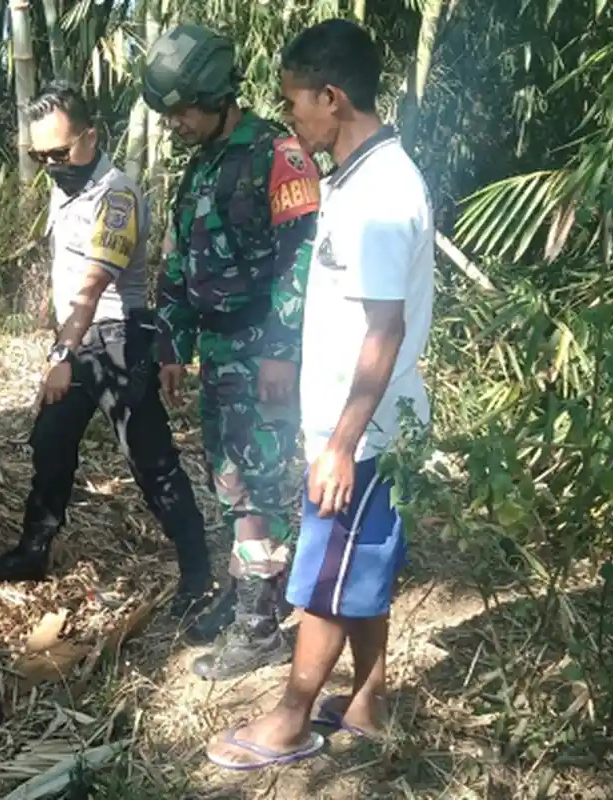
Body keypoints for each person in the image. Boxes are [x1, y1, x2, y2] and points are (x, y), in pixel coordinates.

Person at [205, 19, 435, 769]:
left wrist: (338, 444)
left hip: (360, 435)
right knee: (362, 566)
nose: (291, 118)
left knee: (326, 578)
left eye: (296, 102)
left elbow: (385, 332)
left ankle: (290, 719)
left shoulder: (379, 195)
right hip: (359, 427)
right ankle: (367, 703)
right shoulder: (358, 177)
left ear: (332, 97)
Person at [0, 83, 215, 619]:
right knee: (50, 441)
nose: (53, 165)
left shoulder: (115, 194)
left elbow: (93, 285)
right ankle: (34, 551)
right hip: (81, 340)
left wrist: (60, 357)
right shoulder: (68, 186)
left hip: (118, 340)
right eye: (41, 157)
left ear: (91, 136)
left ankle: (198, 573)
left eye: (61, 152)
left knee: (150, 460)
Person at [141, 24, 320, 679]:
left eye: (184, 109)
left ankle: (260, 628)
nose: (177, 123)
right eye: (171, 113)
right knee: (232, 484)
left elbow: (302, 258)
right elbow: (181, 264)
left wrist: (281, 351)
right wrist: (171, 344)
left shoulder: (280, 154)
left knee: (257, 487)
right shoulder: (201, 167)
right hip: (217, 350)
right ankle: (252, 596)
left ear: (218, 96)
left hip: (260, 350)